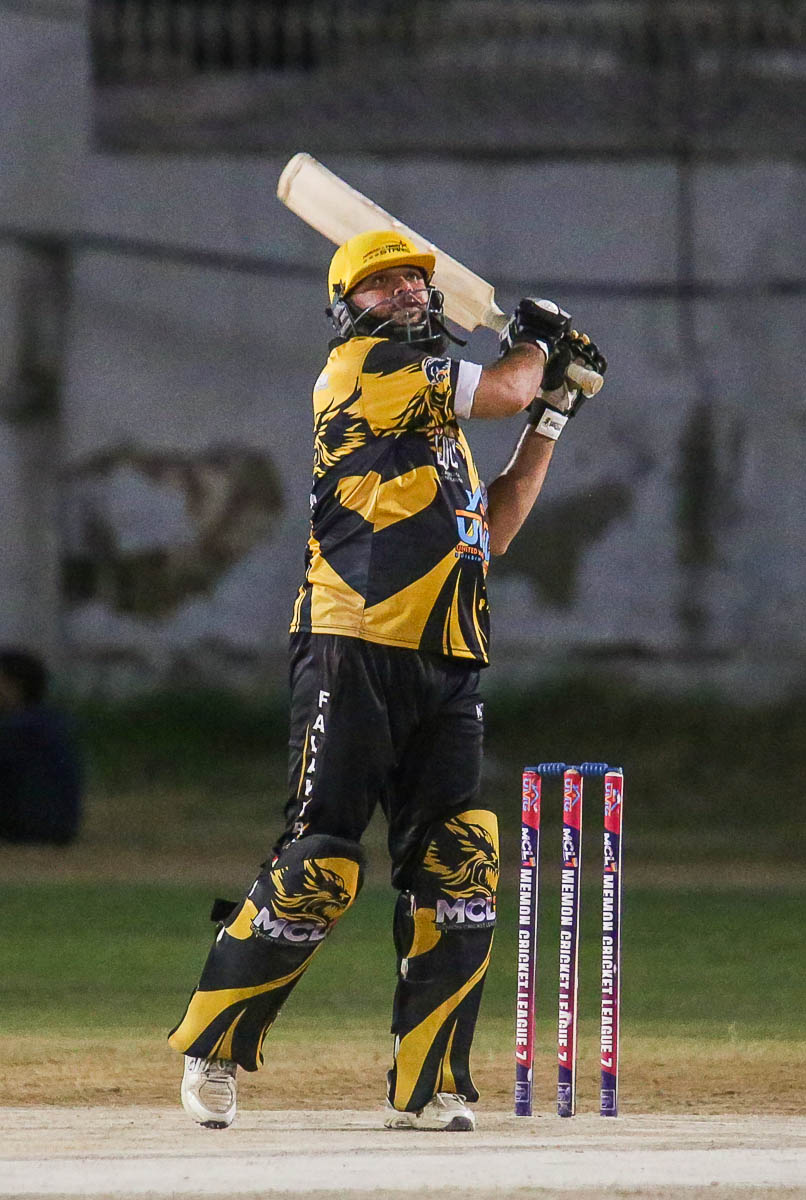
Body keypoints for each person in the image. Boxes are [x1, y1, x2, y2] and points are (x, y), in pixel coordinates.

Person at [168, 230, 606, 1131]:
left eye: (414, 277)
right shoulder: (364, 370)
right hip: (353, 642)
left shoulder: (436, 426)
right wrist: (538, 343)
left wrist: (553, 413)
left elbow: (492, 529)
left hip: (450, 652)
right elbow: (505, 387)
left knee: (460, 861)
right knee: (320, 862)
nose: (406, 289)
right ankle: (213, 1052)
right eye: (381, 283)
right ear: (347, 310)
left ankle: (428, 1084)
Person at [0, 648, 83, 846]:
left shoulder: (18, 730)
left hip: (28, 829)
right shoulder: (50, 723)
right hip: (58, 828)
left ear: (15, 685)